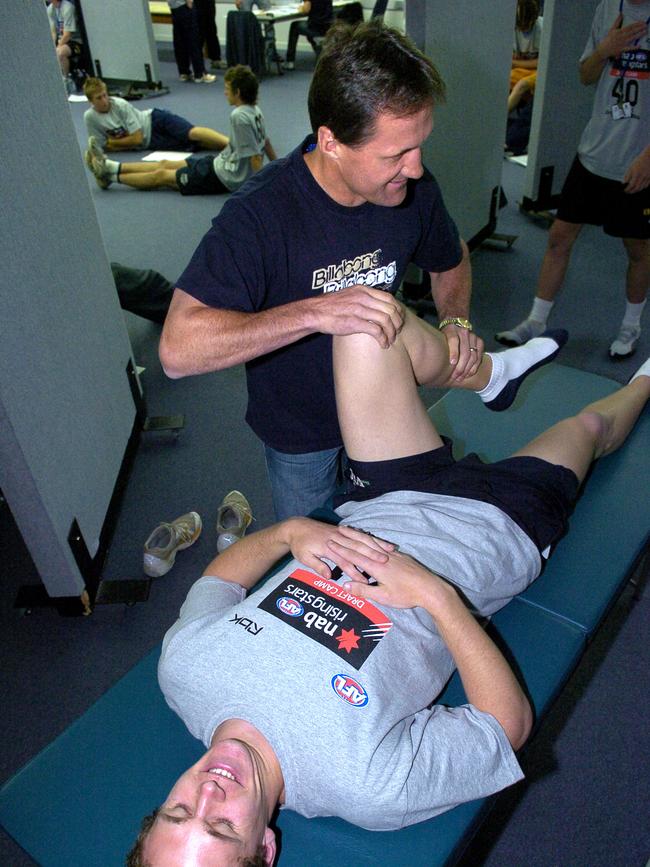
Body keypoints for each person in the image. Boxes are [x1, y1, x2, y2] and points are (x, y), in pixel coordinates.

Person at [127, 307, 650, 865]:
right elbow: (505, 729)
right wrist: (435, 595)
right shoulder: (364, 786)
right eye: (223, 827)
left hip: (383, 497)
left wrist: (290, 532)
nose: (208, 791)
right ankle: (645, 380)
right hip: (491, 532)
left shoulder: (184, 675)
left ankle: (490, 373)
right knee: (588, 430)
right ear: (265, 846)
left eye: (178, 812)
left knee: (363, 320)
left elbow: (219, 581)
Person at [159, 21, 490, 521]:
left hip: (386, 410)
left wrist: (456, 319)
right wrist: (315, 312)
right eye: (397, 152)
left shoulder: (411, 188)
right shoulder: (260, 215)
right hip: (300, 434)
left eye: (420, 145)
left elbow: (453, 257)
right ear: (331, 142)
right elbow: (177, 351)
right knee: (315, 555)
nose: (417, 168)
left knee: (388, 544)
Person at [496, 0, 650, 359]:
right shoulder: (608, 7)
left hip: (638, 162)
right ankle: (536, 321)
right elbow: (586, 74)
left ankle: (630, 326)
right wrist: (605, 50)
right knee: (559, 237)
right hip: (594, 151)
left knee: (638, 250)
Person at [84, 66, 276, 194]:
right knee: (166, 163)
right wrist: (278, 167)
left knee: (162, 176)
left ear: (238, 92)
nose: (225, 92)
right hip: (219, 164)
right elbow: (265, 142)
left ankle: (110, 175)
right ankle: (111, 166)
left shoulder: (238, 116)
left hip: (222, 177)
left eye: (227, 88)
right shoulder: (255, 111)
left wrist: (260, 191)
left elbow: (256, 158)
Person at [82, 77, 228, 153]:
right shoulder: (90, 117)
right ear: (90, 101)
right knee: (194, 144)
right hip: (152, 142)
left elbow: (137, 138)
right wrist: (111, 144)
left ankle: (232, 144)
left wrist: (113, 142)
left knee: (191, 133)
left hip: (155, 120)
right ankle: (228, 149)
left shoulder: (120, 104)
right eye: (99, 98)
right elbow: (100, 146)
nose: (104, 100)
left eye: (105, 95)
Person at [168, 0, 217, 82]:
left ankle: (184, 72)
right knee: (194, 39)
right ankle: (200, 74)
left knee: (180, 40)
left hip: (174, 6)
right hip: (184, 5)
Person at [508, 0, 543, 115]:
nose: (524, 29)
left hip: (538, 73)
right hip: (522, 70)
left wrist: (516, 63)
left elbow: (542, 63)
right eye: (520, 26)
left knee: (522, 84)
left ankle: (495, 119)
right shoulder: (510, 28)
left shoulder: (542, 28)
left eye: (527, 25)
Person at [283, 0, 333, 70]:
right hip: (327, 26)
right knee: (307, 29)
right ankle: (319, 47)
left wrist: (301, 8)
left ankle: (290, 61)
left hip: (316, 27)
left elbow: (306, 10)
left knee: (294, 26)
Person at [46, 0, 82, 77]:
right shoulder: (50, 9)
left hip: (75, 41)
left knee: (60, 52)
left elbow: (67, 35)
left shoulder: (68, 8)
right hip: (61, 41)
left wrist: (57, 48)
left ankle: (66, 78)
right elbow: (53, 32)